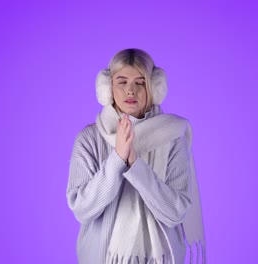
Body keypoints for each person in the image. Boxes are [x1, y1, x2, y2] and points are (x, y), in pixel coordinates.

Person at [66, 48, 206, 263]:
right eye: (122, 82)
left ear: (154, 88)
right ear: (107, 88)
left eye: (140, 82)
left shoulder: (173, 137)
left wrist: (135, 165)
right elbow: (82, 210)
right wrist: (118, 159)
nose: (130, 90)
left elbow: (175, 213)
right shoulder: (88, 139)